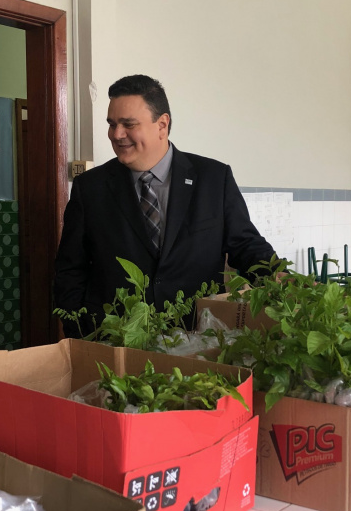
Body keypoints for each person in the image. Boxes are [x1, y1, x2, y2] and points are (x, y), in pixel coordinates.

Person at [54, 74, 276, 337]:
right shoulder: (91, 187)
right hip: (116, 339)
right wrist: (81, 332)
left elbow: (245, 246)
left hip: (196, 337)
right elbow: (70, 268)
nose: (117, 134)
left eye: (128, 124)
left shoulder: (213, 179)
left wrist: (278, 276)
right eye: (112, 124)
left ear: (162, 124)